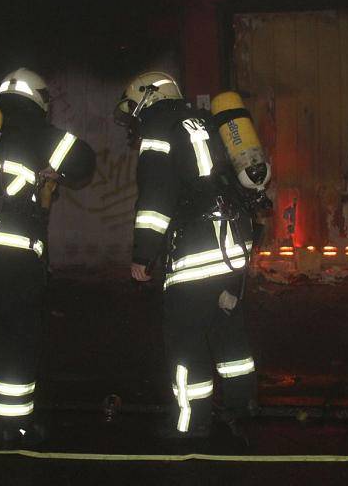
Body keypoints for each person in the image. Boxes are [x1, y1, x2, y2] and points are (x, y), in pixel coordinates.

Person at [0, 67, 95, 449]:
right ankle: (12, 425)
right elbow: (84, 162)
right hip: (12, 252)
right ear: (39, 99)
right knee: (17, 335)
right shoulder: (39, 131)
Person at [115, 71, 258, 442]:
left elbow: (156, 198)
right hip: (234, 246)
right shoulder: (206, 120)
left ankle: (190, 423)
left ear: (148, 97)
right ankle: (240, 406)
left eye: (134, 106)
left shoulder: (158, 129)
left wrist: (143, 254)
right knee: (228, 330)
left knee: (185, 339)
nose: (134, 117)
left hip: (196, 252)